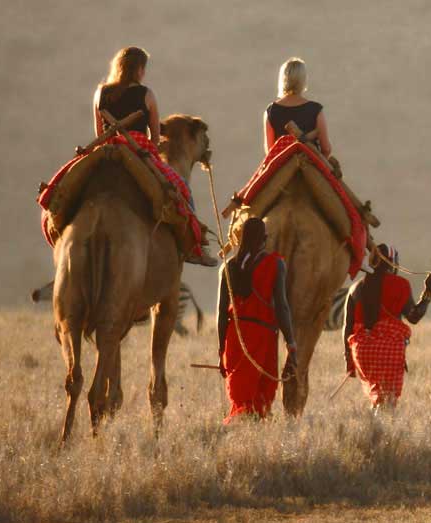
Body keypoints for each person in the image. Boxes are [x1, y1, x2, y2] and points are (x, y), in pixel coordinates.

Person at [92, 46, 217, 266]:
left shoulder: (100, 92)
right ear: (139, 69)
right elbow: (156, 137)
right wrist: (147, 147)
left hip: (106, 151)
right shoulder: (146, 94)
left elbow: (99, 134)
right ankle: (193, 245)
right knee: (181, 190)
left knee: (65, 184)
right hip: (137, 151)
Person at [216, 217, 297, 423]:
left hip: (235, 338)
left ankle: (242, 440)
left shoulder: (227, 267)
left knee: (242, 398)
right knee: (261, 399)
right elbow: (282, 307)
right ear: (264, 239)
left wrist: (221, 350)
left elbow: (220, 314)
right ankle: (252, 438)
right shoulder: (275, 264)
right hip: (263, 336)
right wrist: (291, 343)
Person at [343, 244, 431, 411]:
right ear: (392, 263)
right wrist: (428, 293)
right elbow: (414, 317)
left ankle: (373, 431)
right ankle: (383, 434)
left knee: (377, 398)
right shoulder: (400, 284)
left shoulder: (355, 288)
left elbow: (347, 328)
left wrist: (348, 359)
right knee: (388, 402)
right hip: (388, 350)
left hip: (361, 352)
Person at [263, 58, 334, 158]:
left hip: (282, 167)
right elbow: (326, 148)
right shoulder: (316, 109)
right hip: (310, 164)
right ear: (303, 80)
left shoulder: (271, 111)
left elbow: (270, 151)